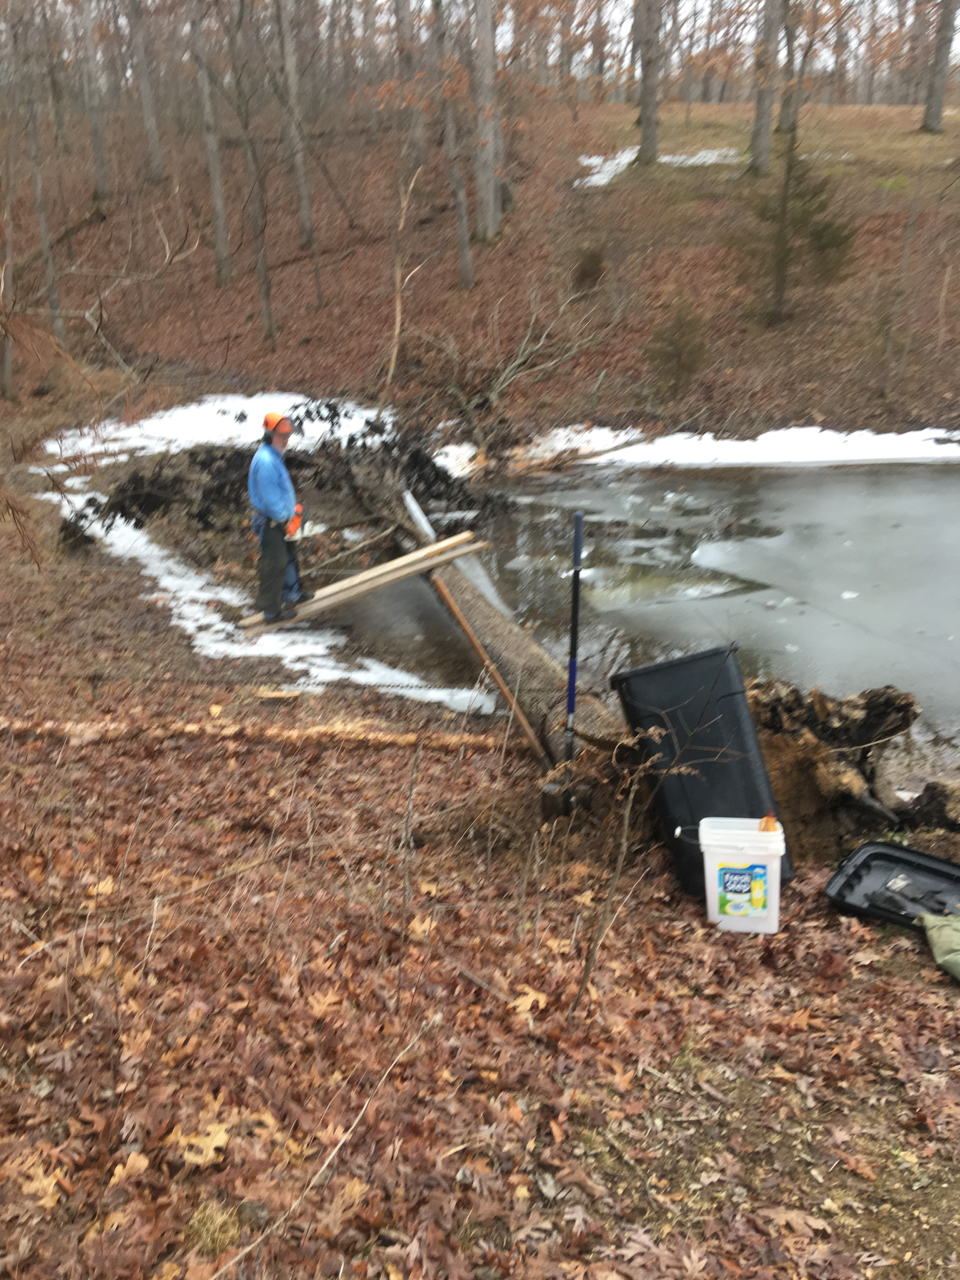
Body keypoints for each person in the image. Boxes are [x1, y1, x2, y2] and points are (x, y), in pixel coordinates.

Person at [247, 413, 314, 620]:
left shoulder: (274, 455)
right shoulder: (266, 461)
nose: (285, 440)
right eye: (281, 436)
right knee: (274, 564)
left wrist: (294, 515)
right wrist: (285, 520)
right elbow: (269, 500)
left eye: (287, 435)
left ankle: (292, 593)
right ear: (269, 435)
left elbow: (281, 492)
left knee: (289, 557)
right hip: (271, 520)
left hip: (283, 517)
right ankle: (271, 612)